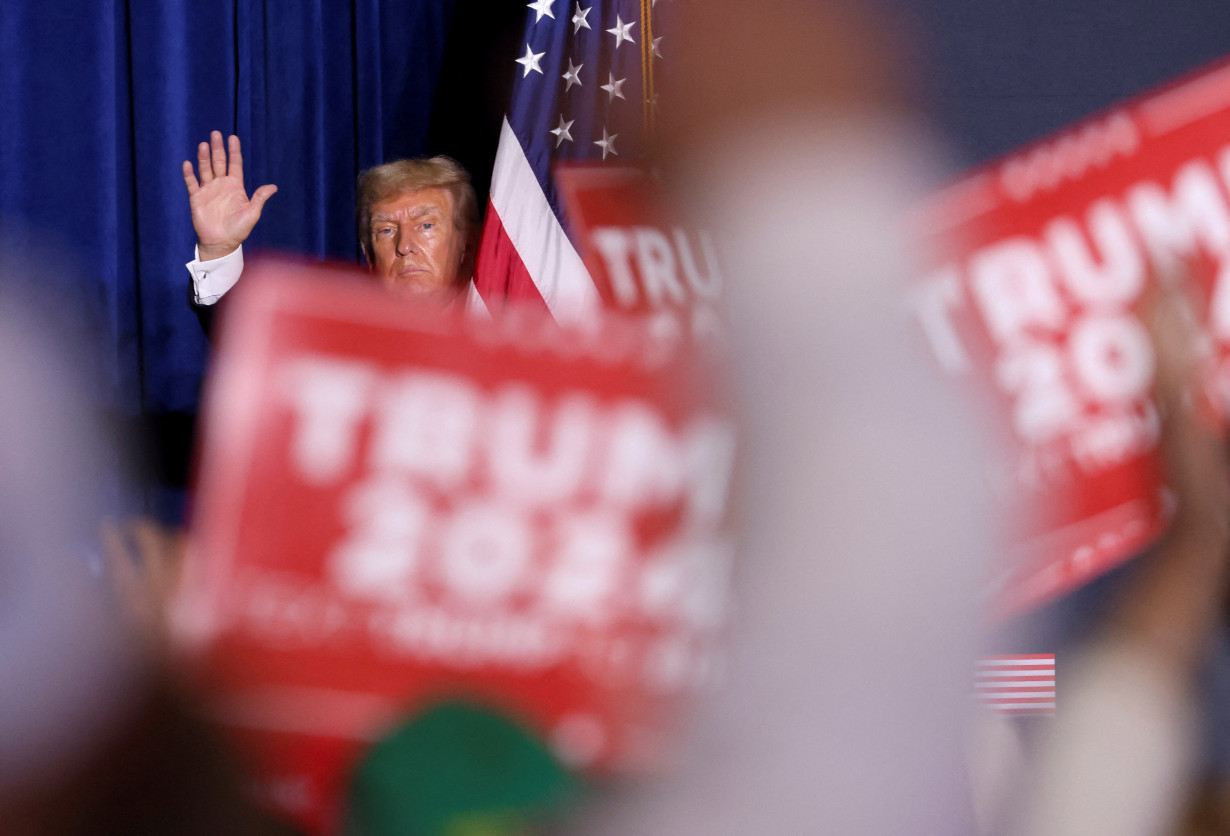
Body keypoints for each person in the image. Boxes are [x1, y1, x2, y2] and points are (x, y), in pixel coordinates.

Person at [182, 131, 479, 316]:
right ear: (368, 253)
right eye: (386, 230)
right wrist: (219, 250)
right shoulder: (340, 344)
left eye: (425, 225)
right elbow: (247, 342)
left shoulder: (511, 334)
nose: (404, 246)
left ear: (466, 243)